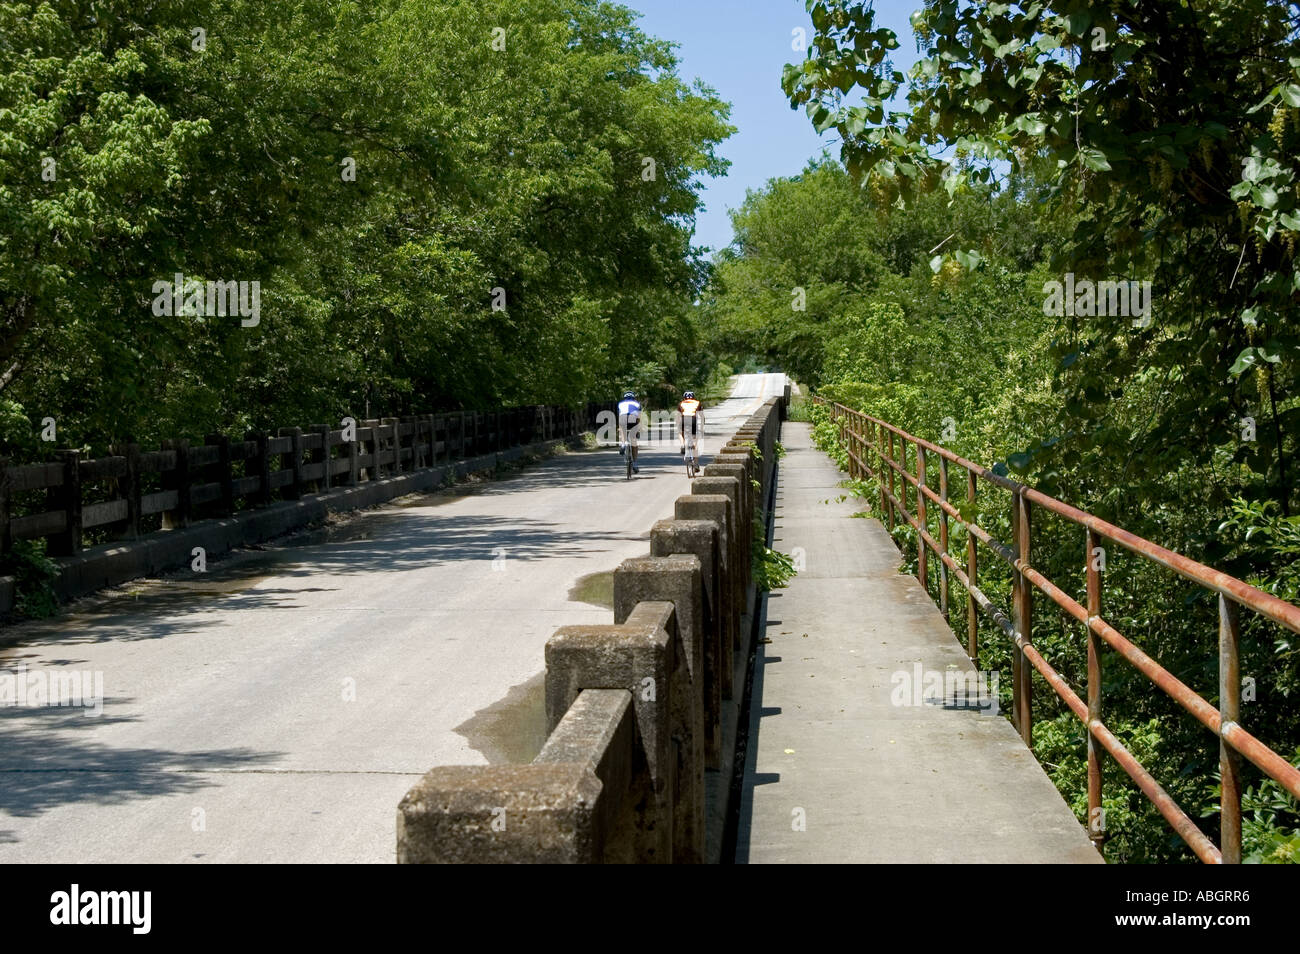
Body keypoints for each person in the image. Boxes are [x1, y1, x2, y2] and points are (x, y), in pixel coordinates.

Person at [617, 390, 642, 474]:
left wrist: (619, 428)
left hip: (623, 418)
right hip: (633, 419)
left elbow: (620, 415)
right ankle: (635, 463)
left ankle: (623, 444)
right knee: (634, 440)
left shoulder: (620, 404)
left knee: (621, 426)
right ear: (633, 397)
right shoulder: (637, 404)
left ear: (624, 398)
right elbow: (638, 418)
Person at [678, 390, 704, 461]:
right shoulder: (697, 403)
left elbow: (678, 416)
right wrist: (702, 426)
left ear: (684, 398)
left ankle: (682, 445)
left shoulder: (681, 403)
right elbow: (701, 416)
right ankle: (695, 463)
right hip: (693, 419)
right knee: (695, 439)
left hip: (684, 419)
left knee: (680, 433)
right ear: (693, 397)